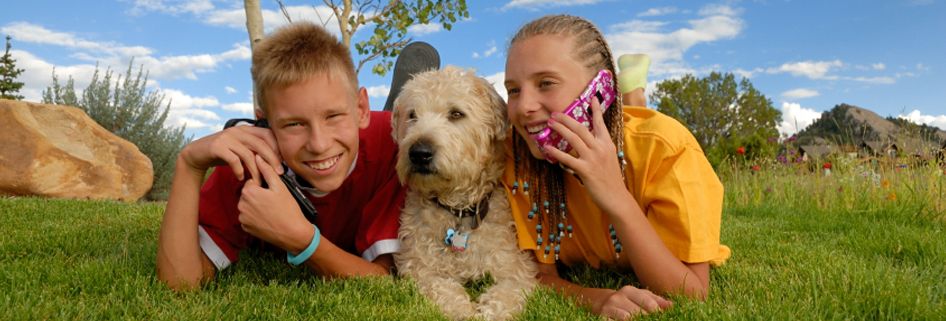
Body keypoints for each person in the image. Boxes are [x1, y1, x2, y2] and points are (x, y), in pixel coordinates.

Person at [502, 14, 731, 319]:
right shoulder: (517, 158)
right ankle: (633, 90)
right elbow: (536, 276)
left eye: (546, 83)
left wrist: (615, 195)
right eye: (513, 90)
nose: (524, 106)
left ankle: (633, 91)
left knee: (636, 121)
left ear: (599, 89)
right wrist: (592, 298)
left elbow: (690, 293)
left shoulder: (666, 148)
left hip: (636, 138)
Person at [156, 22, 410, 290]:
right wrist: (189, 164)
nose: (319, 144)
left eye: (333, 116)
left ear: (361, 109)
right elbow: (180, 283)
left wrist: (303, 240)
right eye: (294, 124)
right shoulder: (247, 157)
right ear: (264, 124)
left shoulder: (397, 147)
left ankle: (399, 105)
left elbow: (385, 281)